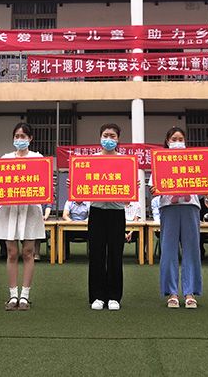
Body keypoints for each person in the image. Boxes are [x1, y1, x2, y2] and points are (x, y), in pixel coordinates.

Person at [0, 122, 46, 311]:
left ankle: (25, 295)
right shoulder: (5, 158)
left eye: (23, 136)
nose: (19, 139)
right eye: (17, 136)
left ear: (30, 138)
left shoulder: (38, 158)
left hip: (30, 209)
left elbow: (44, 183)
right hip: (9, 209)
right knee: (12, 252)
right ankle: (12, 295)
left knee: (28, 252)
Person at [151, 126, 202, 309]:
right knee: (168, 251)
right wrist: (154, 189)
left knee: (192, 250)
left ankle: (190, 293)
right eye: (174, 139)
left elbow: (205, 179)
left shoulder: (194, 160)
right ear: (167, 142)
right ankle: (171, 293)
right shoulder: (160, 161)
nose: (177, 142)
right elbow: (153, 186)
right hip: (168, 207)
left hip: (191, 206)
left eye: (180, 139)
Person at [87, 123, 127, 311]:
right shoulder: (91, 161)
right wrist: (74, 183)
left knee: (115, 254)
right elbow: (83, 185)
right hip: (96, 211)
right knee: (96, 253)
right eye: (105, 135)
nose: (108, 139)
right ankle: (97, 296)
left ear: (118, 139)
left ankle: (114, 296)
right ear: (100, 138)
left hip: (117, 211)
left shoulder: (125, 161)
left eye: (112, 136)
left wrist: (132, 186)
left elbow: (129, 193)